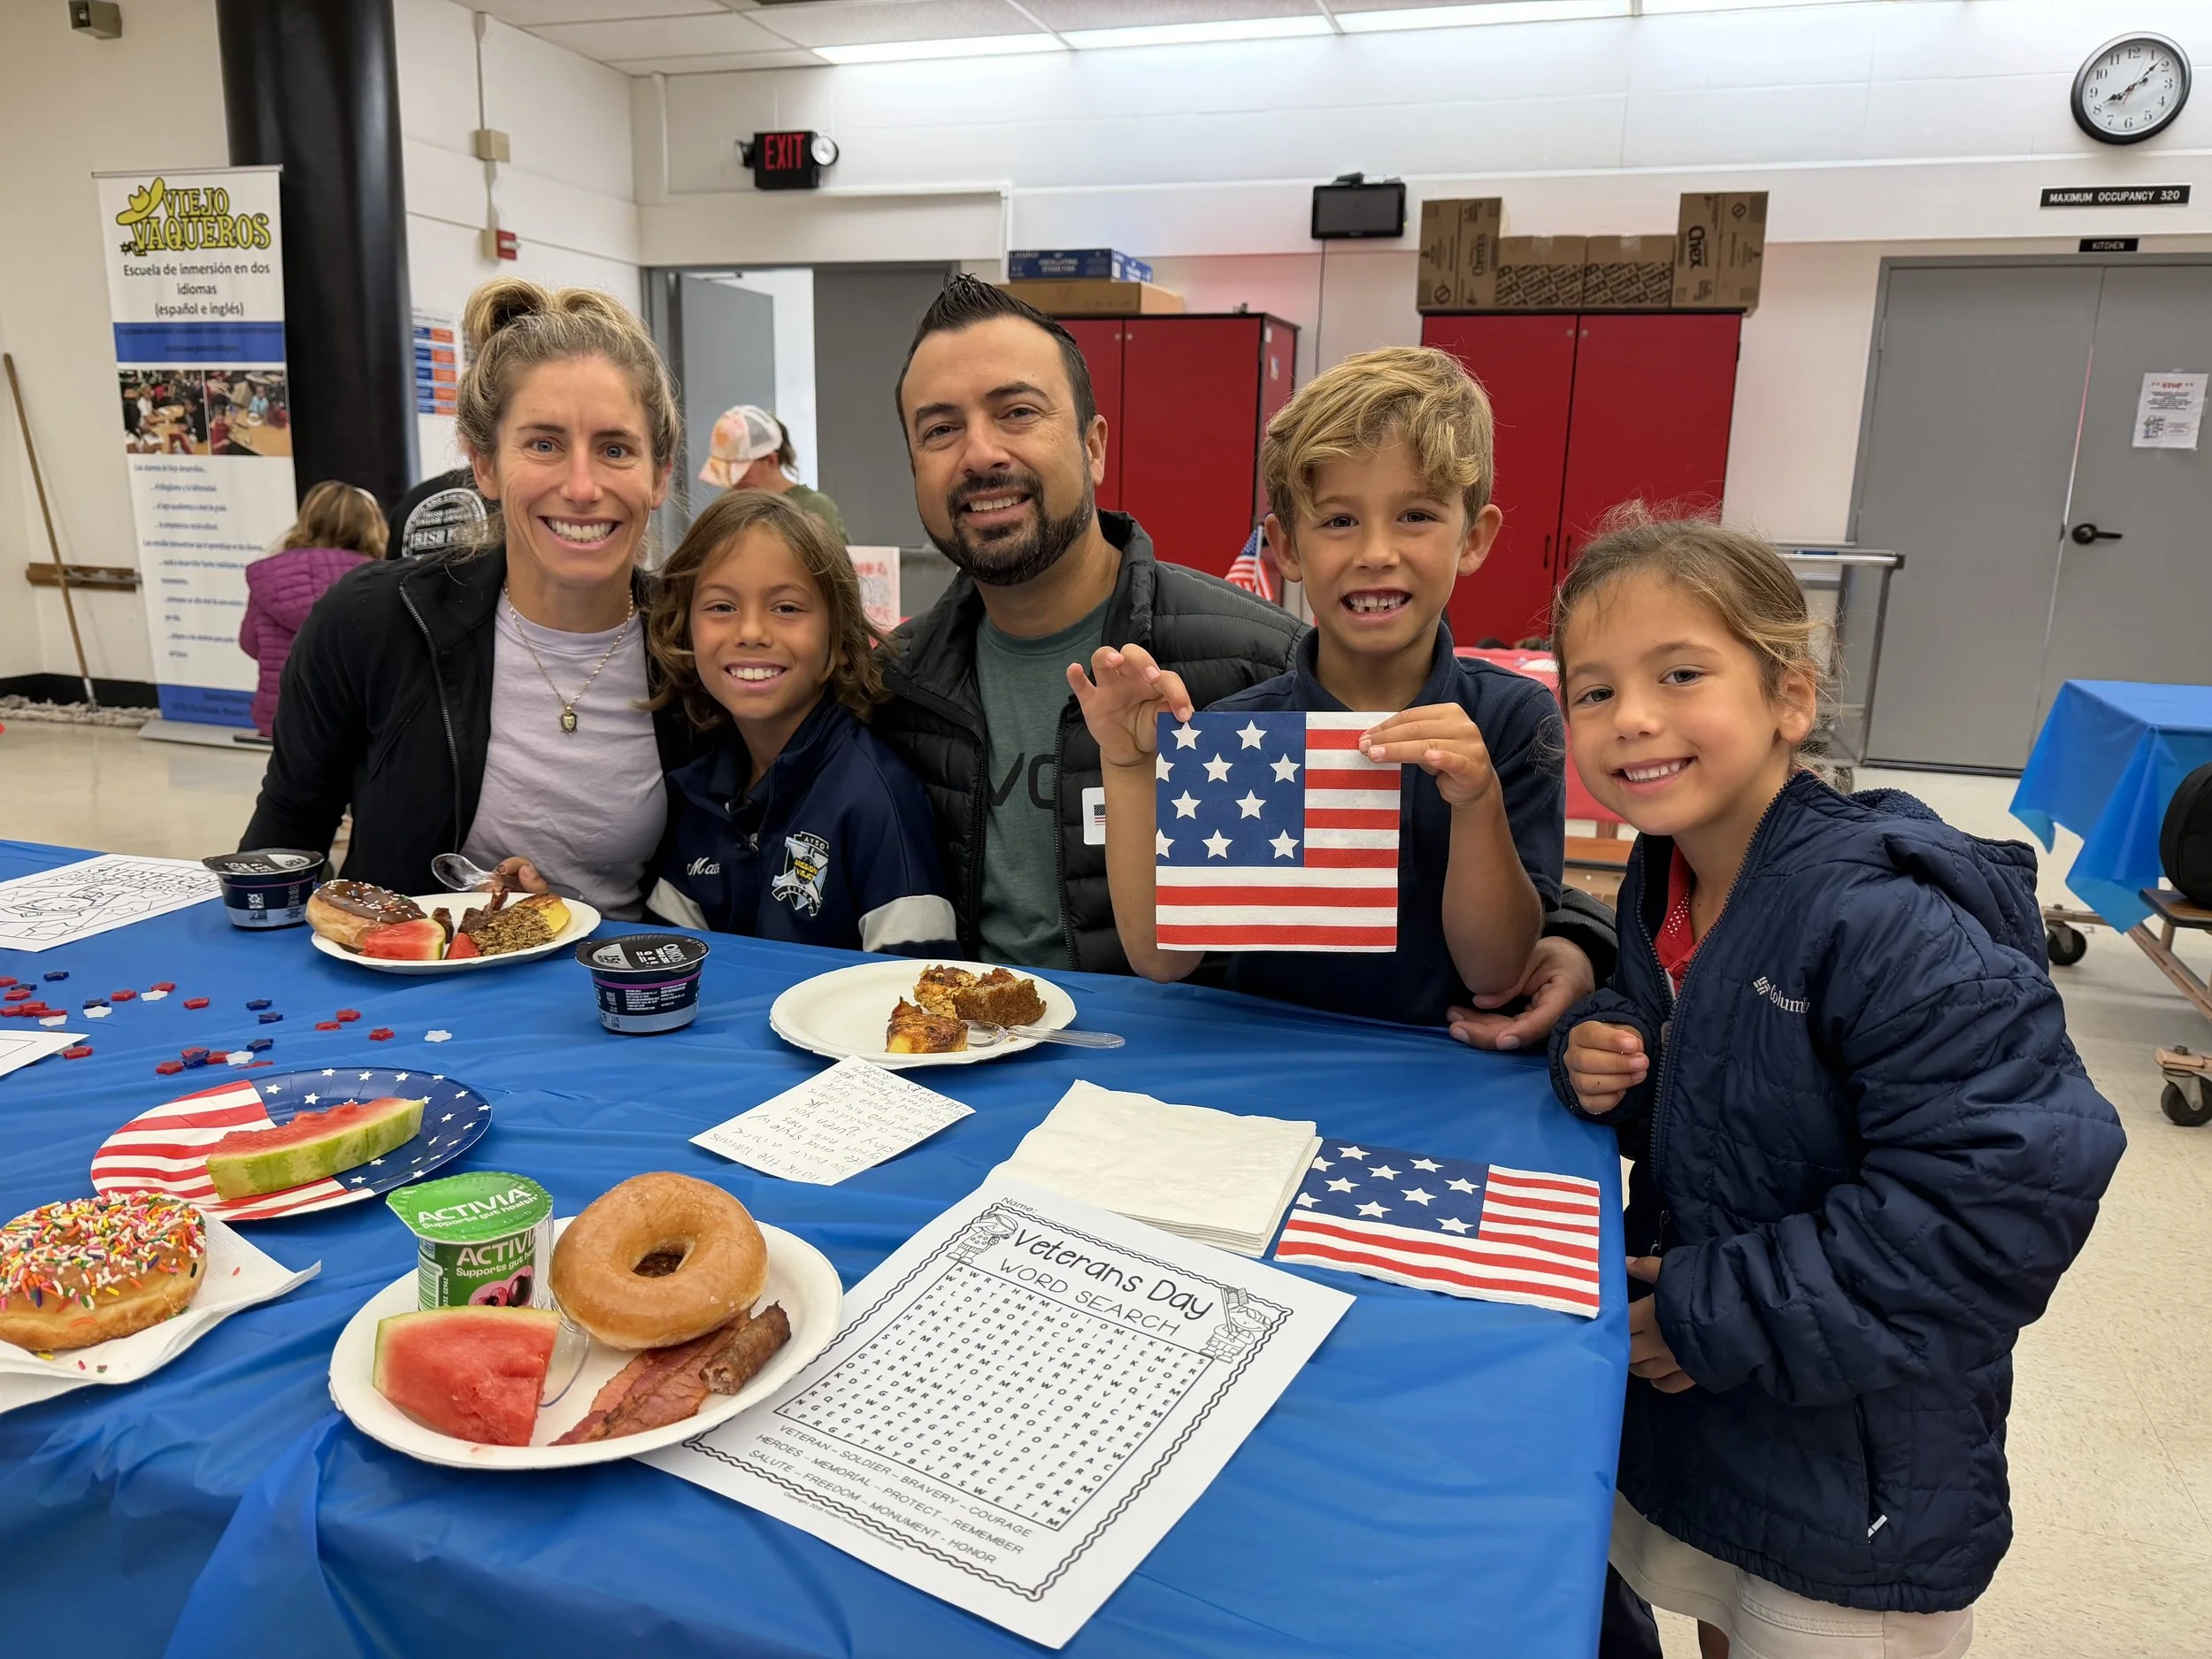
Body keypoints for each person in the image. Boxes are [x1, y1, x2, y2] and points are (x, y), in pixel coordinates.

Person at [1548, 511, 2124, 1659]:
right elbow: (1742, 1094)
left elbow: (2003, 1199)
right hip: (1728, 1417)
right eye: (1594, 690)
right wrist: (1614, 1048)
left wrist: (1717, 1310)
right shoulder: (1666, 874)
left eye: (1680, 673)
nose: (1634, 717)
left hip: (1859, 1466)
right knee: (1717, 1607)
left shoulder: (1881, 916)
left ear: (1789, 700)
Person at [1069, 347, 1554, 1026]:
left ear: (1473, 538)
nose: (1376, 551)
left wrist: (1477, 803)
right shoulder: (1242, 733)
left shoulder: (1512, 719)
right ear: (1287, 548)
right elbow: (1162, 958)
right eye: (1338, 520)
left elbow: (1497, 972)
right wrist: (1127, 764)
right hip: (1263, 1076)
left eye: (1416, 515)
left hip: (1446, 1077)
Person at [872, 275, 1302, 974]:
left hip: (1166, 1078)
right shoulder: (892, 686)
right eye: (941, 429)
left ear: (1093, 446)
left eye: (1016, 412)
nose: (980, 454)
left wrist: (1553, 931)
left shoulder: (1255, 667)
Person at [240, 277, 703, 914]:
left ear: (659, 474)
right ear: (484, 465)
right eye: (543, 444)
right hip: (400, 1000)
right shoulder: (374, 623)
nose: (581, 485)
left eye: (615, 448)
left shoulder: (698, 652)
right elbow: (286, 841)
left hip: (631, 997)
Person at [639, 489, 954, 953]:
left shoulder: (875, 801)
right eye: (721, 607)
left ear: (839, 637)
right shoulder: (699, 792)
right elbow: (666, 963)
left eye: (786, 608)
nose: (750, 633)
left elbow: (919, 1000)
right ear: (684, 627)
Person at [237, 481, 385, 737]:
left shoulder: (269, 576)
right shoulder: (377, 579)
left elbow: (249, 643)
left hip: (282, 714)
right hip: (354, 714)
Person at [699, 404, 847, 542]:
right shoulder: (725, 505)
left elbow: (837, 567)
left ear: (771, 460)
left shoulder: (814, 507)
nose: (734, 483)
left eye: (740, 472)